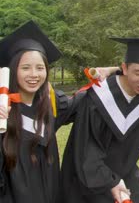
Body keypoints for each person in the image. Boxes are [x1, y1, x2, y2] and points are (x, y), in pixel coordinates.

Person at [60, 37, 139, 203]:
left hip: (125, 172)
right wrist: (111, 182)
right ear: (124, 68)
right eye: (138, 72)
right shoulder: (98, 98)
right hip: (88, 178)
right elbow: (87, 152)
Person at [0, 21, 82, 203]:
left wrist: (110, 73)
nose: (34, 75)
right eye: (25, 68)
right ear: (14, 70)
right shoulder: (3, 110)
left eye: (40, 68)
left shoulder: (52, 106)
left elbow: (86, 100)